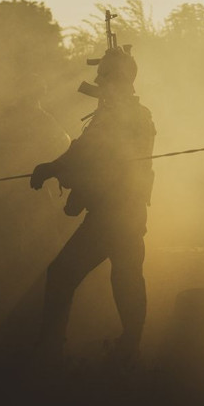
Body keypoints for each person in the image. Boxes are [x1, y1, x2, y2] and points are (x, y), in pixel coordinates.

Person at [30, 44, 155, 367]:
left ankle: (50, 347)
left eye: (105, 77)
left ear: (119, 80)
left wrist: (52, 167)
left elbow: (87, 150)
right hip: (122, 211)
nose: (99, 83)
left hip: (114, 213)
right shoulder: (126, 113)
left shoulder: (123, 115)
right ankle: (129, 347)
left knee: (64, 273)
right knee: (126, 277)